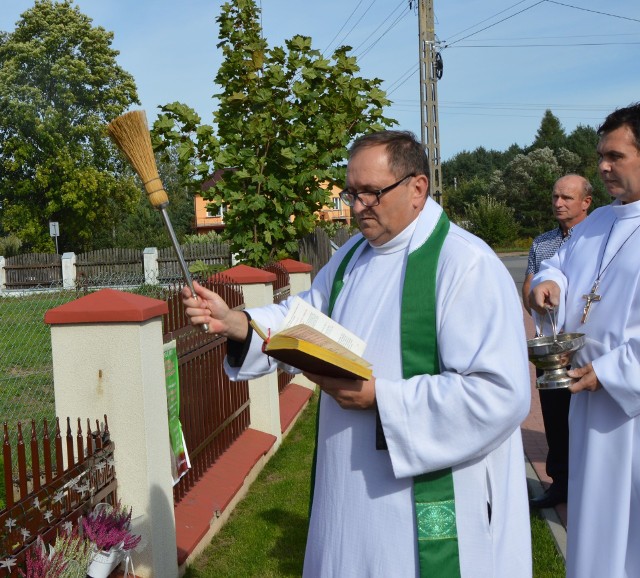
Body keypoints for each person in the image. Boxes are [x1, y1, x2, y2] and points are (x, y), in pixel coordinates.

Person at [183, 130, 532, 577]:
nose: (357, 206)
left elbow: (500, 393)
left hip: (420, 493)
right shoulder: (352, 256)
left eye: (372, 192)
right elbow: (302, 320)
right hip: (346, 482)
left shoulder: (465, 265)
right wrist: (237, 322)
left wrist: (381, 399)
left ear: (417, 188)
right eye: (352, 193)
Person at [530, 102, 640, 578]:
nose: (603, 166)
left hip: (630, 407)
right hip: (588, 398)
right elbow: (561, 265)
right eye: (601, 155)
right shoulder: (595, 224)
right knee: (595, 526)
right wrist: (546, 282)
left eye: (614, 156)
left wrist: (614, 371)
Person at [523, 174, 592, 509]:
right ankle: (560, 483)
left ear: (586, 202)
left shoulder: (599, 237)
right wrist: (536, 297)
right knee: (554, 419)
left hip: (586, 349)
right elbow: (530, 289)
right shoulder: (543, 243)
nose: (558, 203)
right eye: (555, 197)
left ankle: (590, 484)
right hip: (551, 347)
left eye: (567, 197)